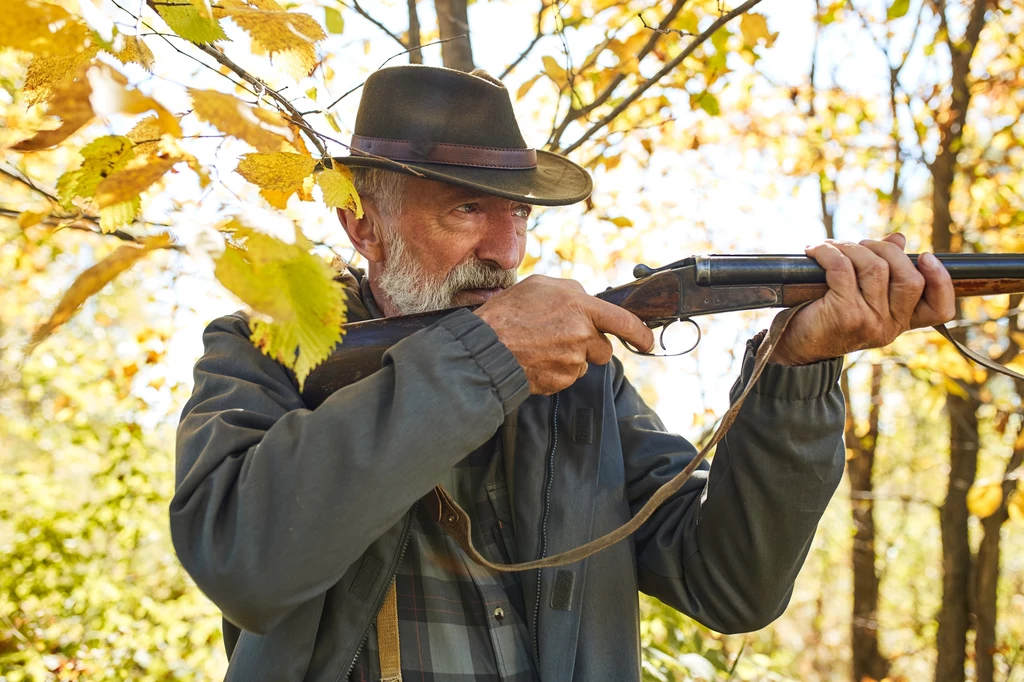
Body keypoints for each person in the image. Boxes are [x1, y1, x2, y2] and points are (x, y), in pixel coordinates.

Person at [172, 65, 955, 682]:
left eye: (519, 215)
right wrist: (483, 364)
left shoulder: (575, 372)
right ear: (361, 223)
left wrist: (797, 369)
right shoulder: (267, 347)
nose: (507, 251)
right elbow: (246, 561)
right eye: (466, 210)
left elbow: (732, 585)